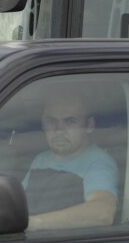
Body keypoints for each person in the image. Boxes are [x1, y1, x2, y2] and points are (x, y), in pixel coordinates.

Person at [22, 91, 119, 231]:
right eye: (51, 121)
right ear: (43, 125)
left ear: (90, 125)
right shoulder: (41, 159)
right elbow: (17, 202)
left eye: (70, 121)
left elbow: (102, 212)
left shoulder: (98, 162)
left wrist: (34, 224)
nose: (59, 130)